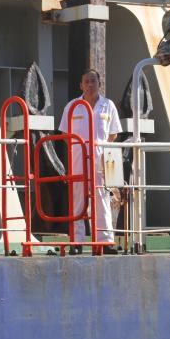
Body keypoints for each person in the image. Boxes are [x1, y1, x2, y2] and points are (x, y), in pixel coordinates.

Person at [58, 69, 122, 255]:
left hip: (101, 158)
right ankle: (76, 242)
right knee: (78, 198)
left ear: (99, 84)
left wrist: (99, 149)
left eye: (93, 81)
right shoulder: (72, 106)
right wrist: (79, 148)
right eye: (86, 81)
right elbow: (64, 133)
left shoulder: (108, 106)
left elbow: (113, 134)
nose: (90, 84)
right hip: (78, 158)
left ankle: (105, 242)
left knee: (102, 197)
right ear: (81, 85)